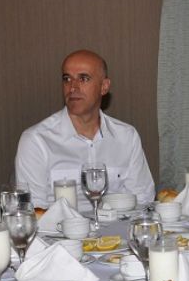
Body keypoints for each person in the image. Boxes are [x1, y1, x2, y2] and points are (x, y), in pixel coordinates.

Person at [15, 49, 155, 210]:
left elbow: (142, 200)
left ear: (104, 87)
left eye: (83, 78)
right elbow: (32, 210)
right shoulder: (37, 140)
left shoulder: (126, 137)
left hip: (117, 225)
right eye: (67, 79)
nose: (72, 87)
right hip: (59, 226)